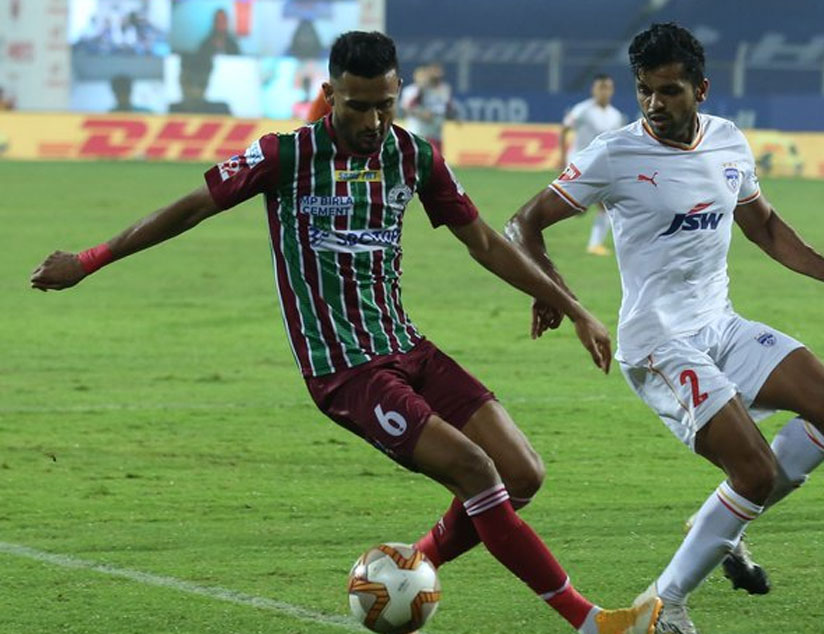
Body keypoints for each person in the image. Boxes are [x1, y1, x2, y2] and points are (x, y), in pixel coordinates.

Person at [31, 31, 660, 634]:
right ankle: (592, 621)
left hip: (407, 347)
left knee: (522, 473)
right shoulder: (285, 156)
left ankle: (410, 567)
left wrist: (567, 303)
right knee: (475, 470)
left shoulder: (413, 155)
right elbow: (189, 209)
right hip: (346, 372)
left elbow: (484, 242)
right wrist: (89, 260)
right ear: (330, 95)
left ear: (398, 92)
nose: (373, 121)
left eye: (385, 104)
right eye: (358, 106)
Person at [505, 22, 824, 634]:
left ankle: (719, 524)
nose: (654, 104)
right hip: (658, 343)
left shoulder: (727, 141)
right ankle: (662, 606)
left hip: (721, 324)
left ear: (701, 89)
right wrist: (556, 294)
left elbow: (764, 227)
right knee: (754, 474)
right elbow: (522, 223)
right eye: (645, 91)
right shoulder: (614, 154)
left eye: (669, 91)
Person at [561, 74, 625, 256]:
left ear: (612, 90)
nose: (604, 91)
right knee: (580, 206)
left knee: (606, 204)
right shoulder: (582, 110)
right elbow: (564, 130)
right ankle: (578, 208)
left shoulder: (615, 115)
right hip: (579, 162)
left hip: (601, 164)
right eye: (600, 87)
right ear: (593, 89)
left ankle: (595, 244)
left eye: (607, 88)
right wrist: (561, 157)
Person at [400, 63, 455, 153]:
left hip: (434, 130)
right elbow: (406, 109)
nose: (422, 79)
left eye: (424, 76)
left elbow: (445, 107)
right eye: (420, 76)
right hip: (417, 129)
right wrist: (421, 114)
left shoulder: (438, 89)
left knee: (435, 155)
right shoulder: (410, 90)